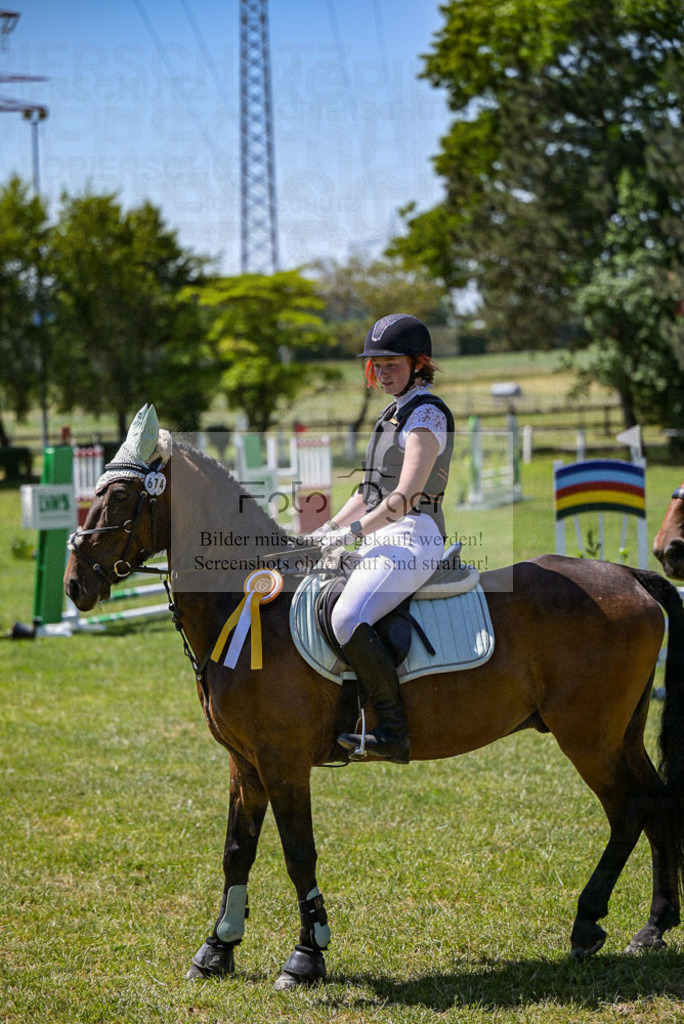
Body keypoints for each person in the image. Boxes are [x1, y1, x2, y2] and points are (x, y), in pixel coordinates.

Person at [311, 313, 454, 763]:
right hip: (383, 534)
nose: (383, 371)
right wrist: (327, 531)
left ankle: (393, 730)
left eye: (392, 363)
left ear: (418, 363)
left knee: (348, 618)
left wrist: (352, 533)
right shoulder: (391, 414)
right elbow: (367, 492)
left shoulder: (426, 413)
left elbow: (405, 496)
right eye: (377, 364)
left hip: (415, 533)